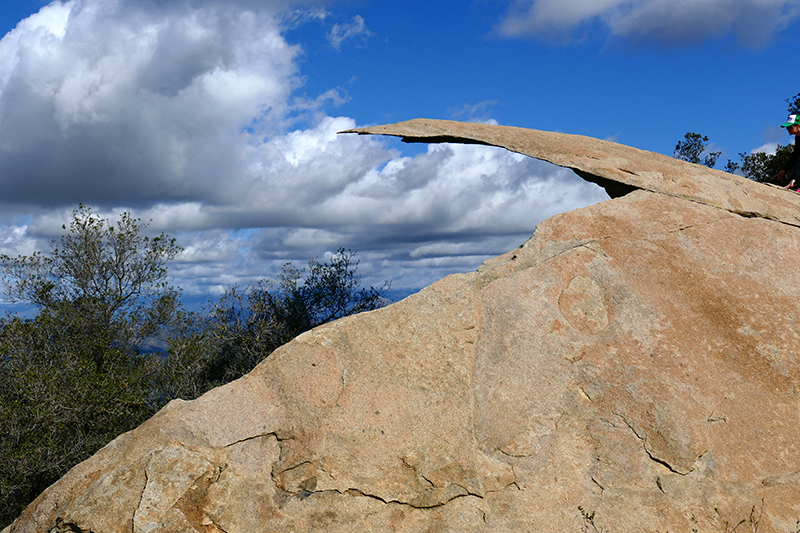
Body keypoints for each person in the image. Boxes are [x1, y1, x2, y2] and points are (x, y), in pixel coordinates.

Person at [779, 114, 800, 190]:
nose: (788, 129)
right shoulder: (798, 137)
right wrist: (785, 169)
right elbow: (795, 155)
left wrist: (794, 178)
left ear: (798, 126)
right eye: (787, 127)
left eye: (790, 127)